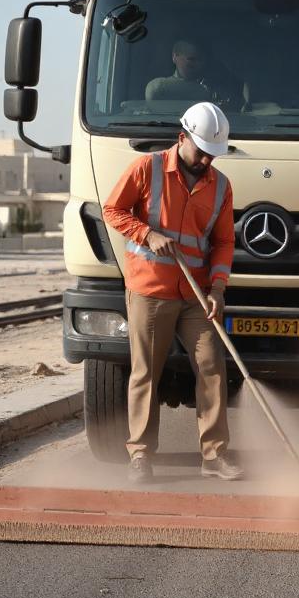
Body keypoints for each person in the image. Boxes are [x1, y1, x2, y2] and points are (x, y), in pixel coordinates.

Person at [102, 101, 242, 484]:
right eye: (201, 152)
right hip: (151, 289)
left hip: (196, 293)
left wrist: (218, 288)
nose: (206, 162)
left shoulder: (221, 186)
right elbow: (113, 210)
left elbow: (224, 242)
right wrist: (148, 234)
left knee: (212, 367)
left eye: (213, 155)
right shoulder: (146, 168)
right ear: (182, 138)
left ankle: (214, 456)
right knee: (147, 372)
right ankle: (141, 456)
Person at [145, 39, 243, 110]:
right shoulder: (160, 87)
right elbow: (152, 93)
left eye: (201, 60)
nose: (198, 64)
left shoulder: (218, 87)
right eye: (191, 59)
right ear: (175, 57)